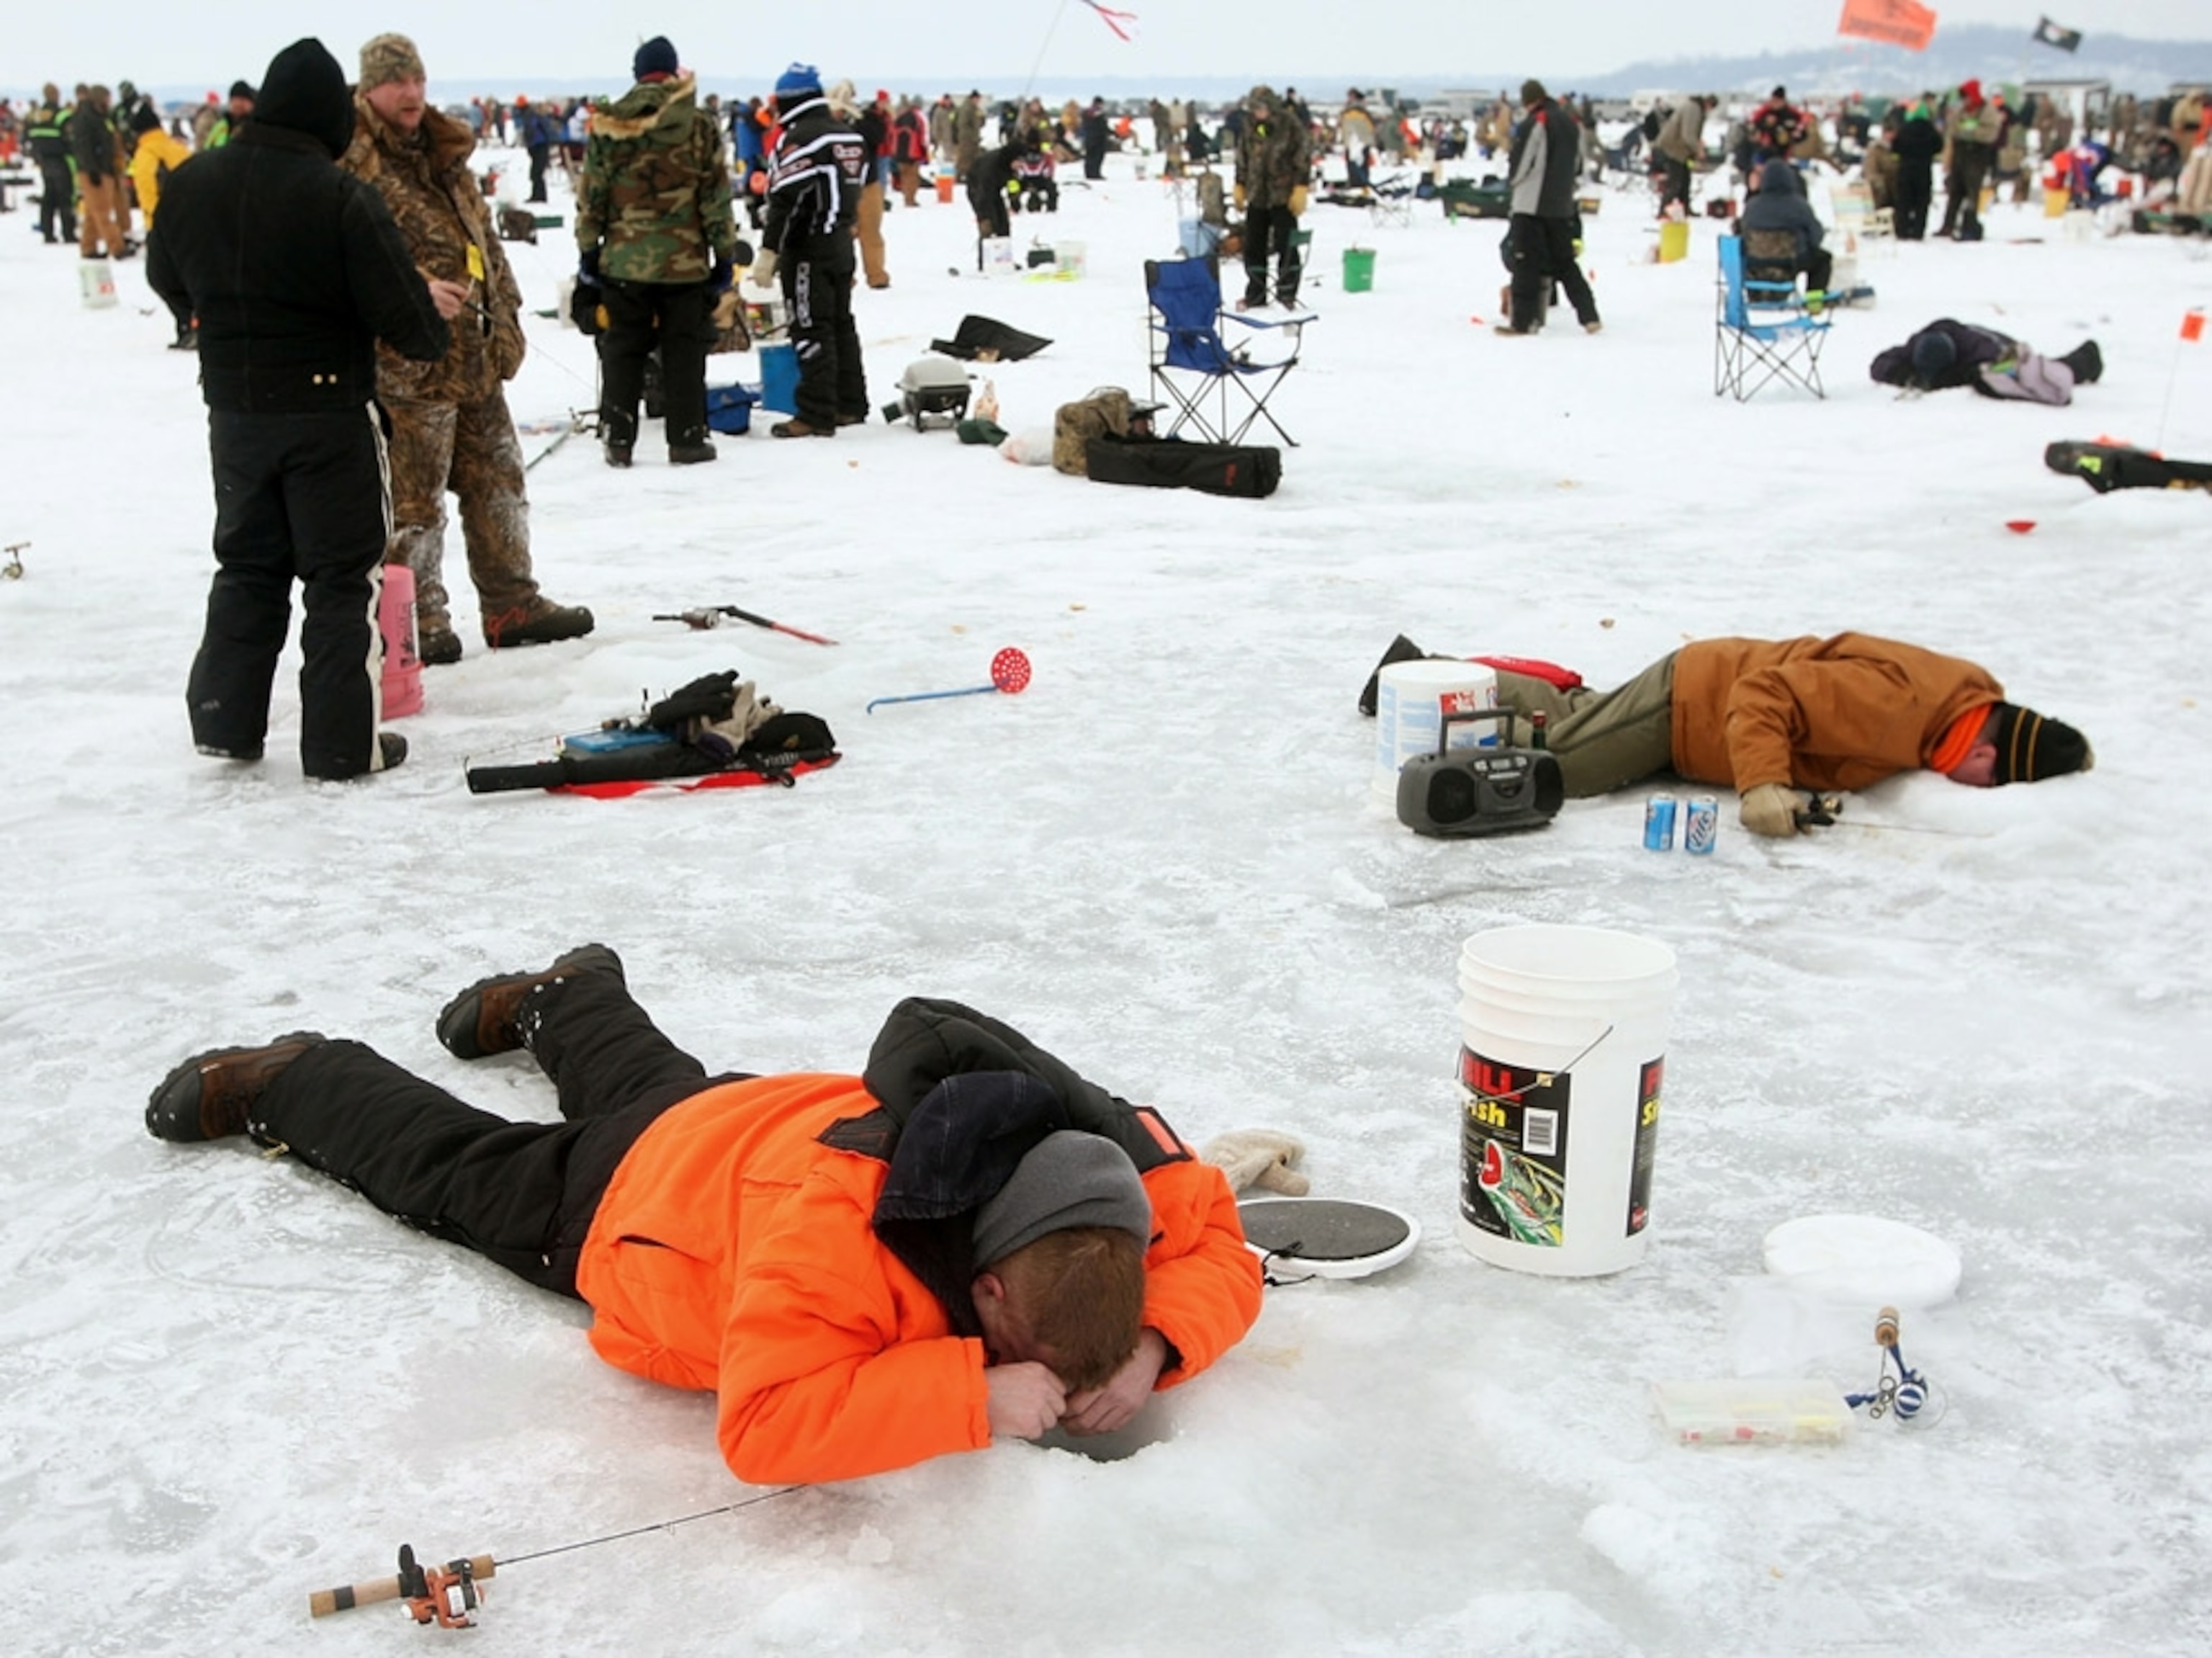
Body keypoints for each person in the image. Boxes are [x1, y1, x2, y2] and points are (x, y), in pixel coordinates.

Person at [145, 946, 1264, 1485]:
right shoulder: (839, 1243)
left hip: (750, 1119)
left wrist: (1154, 1340)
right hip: (637, 1205)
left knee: (652, 1087)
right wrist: (967, 1388)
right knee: (455, 1173)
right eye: (1023, 1341)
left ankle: (570, 992)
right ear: (984, 1285)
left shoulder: (1105, 1166)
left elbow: (1217, 1234)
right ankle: (292, 1074)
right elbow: (763, 1424)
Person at [146, 37, 454, 780]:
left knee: (247, 565)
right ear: (327, 116)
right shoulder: (340, 195)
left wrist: (222, 319)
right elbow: (413, 327)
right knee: (342, 579)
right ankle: (344, 743)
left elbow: (166, 277)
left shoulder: (191, 183)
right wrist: (424, 313)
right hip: (328, 416)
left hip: (236, 413)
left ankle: (225, 719)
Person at [341, 34, 594, 663]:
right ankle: (417, 618)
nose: (411, 93)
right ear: (369, 87)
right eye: (396, 81)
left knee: (499, 480)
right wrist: (412, 291)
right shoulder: (350, 161)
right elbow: (345, 260)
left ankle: (512, 605)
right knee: (414, 504)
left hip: (473, 359)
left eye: (417, 80)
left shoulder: (442, 154)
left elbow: (484, 243)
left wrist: (505, 315)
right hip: (406, 365)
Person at [1370, 633, 2091, 837]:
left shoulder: (1948, 709)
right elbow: (1764, 692)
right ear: (1988, 754)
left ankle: (1517, 683)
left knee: (1579, 731)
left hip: (1700, 715)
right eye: (1993, 782)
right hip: (1695, 701)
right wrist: (1765, 784)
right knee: (1565, 767)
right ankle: (1425, 668)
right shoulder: (1902, 707)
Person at [577, 36, 737, 467]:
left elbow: (592, 196)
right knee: (684, 351)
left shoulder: (609, 124)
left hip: (624, 261)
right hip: (685, 265)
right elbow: (715, 198)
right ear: (673, 72)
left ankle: (618, 438)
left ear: (637, 73)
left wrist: (589, 251)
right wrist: (724, 256)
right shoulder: (699, 125)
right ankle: (687, 438)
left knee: (623, 349)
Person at [752, 63, 869, 440]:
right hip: (842, 241)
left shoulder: (801, 140)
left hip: (807, 248)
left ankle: (816, 413)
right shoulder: (849, 137)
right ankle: (850, 402)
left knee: (810, 326)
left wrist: (769, 251)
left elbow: (786, 199)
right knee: (841, 324)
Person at [1501, 79, 1600, 337]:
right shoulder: (1570, 123)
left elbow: (1522, 161)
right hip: (1562, 204)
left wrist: (1513, 182)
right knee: (1565, 262)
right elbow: (1579, 163)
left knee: (1526, 263)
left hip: (1532, 203)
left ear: (1528, 101)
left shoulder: (1536, 122)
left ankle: (1523, 322)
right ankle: (1589, 316)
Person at [1869, 318, 2101, 405]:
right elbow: (1879, 363)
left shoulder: (1979, 347)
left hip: (2003, 345)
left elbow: (1999, 366)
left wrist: (1962, 375)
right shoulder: (1916, 346)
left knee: (2044, 373)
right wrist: (1902, 375)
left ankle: (2087, 358)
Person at [1231, 84, 1310, 311]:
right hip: (1257, 195)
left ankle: (1287, 293)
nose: (1258, 112)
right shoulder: (1249, 126)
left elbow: (1303, 156)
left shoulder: (1290, 124)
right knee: (1254, 246)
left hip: (1283, 196)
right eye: (1255, 108)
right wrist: (1240, 183)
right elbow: (1242, 156)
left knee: (1287, 246)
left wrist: (1301, 187)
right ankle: (1256, 294)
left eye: (1262, 108)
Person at [1737, 158, 1833, 297]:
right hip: (1791, 262)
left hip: (1756, 262)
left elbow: (1743, 232)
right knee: (1822, 260)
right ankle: (1814, 301)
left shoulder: (1752, 206)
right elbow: (1816, 236)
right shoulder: (1799, 205)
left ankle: (1756, 294)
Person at [69, 84, 129, 258]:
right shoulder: (86, 118)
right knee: (102, 212)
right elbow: (84, 147)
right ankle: (117, 247)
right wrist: (92, 170)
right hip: (95, 171)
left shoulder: (101, 117)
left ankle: (88, 247)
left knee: (92, 212)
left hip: (104, 169)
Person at [1939, 79, 1998, 240]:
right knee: (1955, 191)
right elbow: (1952, 128)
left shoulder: (1987, 110)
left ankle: (1969, 225)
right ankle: (1948, 225)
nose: (1965, 101)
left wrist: (1969, 133)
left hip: (1977, 156)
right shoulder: (1961, 111)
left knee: (1972, 192)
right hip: (1960, 155)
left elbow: (1991, 133)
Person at [25, 85, 78, 246]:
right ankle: (68, 233)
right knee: (65, 197)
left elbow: (29, 137)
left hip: (44, 161)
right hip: (62, 160)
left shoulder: (37, 116)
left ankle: (48, 232)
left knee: (48, 197)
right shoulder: (62, 115)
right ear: (56, 95)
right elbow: (70, 138)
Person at [1652, 94, 1712, 218]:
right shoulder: (1693, 110)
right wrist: (1698, 150)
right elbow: (1688, 135)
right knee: (1675, 182)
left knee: (1685, 180)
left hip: (1680, 151)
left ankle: (1684, 209)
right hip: (1672, 149)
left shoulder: (1694, 108)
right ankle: (1664, 210)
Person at [1892, 99, 1941, 239]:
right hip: (1924, 169)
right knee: (1922, 201)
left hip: (1905, 169)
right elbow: (1939, 146)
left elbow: (1896, 147)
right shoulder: (1930, 129)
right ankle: (1918, 231)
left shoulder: (1904, 129)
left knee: (1904, 200)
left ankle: (1902, 230)